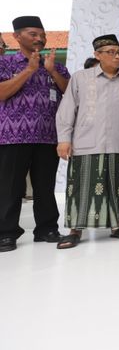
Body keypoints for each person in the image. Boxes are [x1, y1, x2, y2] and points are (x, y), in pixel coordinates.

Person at [55, 34, 119, 249]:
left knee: (117, 186)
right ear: (97, 55)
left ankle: (116, 226)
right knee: (80, 188)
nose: (117, 56)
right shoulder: (81, 78)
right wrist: (63, 140)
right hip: (87, 143)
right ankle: (75, 230)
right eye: (111, 52)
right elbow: (67, 111)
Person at [0, 16, 70, 252]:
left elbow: (70, 94)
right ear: (17, 37)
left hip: (48, 136)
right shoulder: (5, 64)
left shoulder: (55, 65)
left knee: (45, 185)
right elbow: (1, 93)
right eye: (33, 34)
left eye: (42, 34)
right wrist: (29, 70)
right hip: (12, 135)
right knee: (9, 187)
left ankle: (47, 228)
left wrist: (51, 71)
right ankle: (6, 233)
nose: (39, 38)